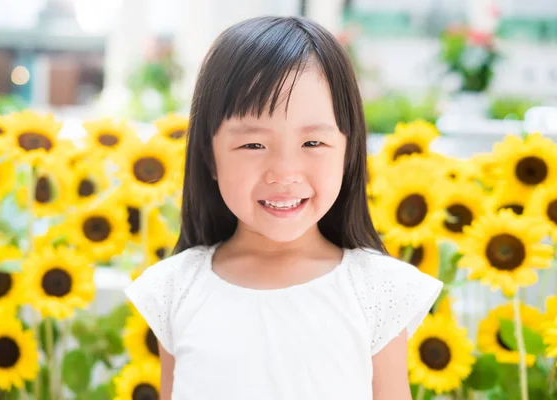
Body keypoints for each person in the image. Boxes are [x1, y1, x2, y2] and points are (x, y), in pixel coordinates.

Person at [125, 15, 442, 400]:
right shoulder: (176, 288)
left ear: (348, 152)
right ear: (209, 156)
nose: (285, 173)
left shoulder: (377, 290)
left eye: (313, 144)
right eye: (253, 145)